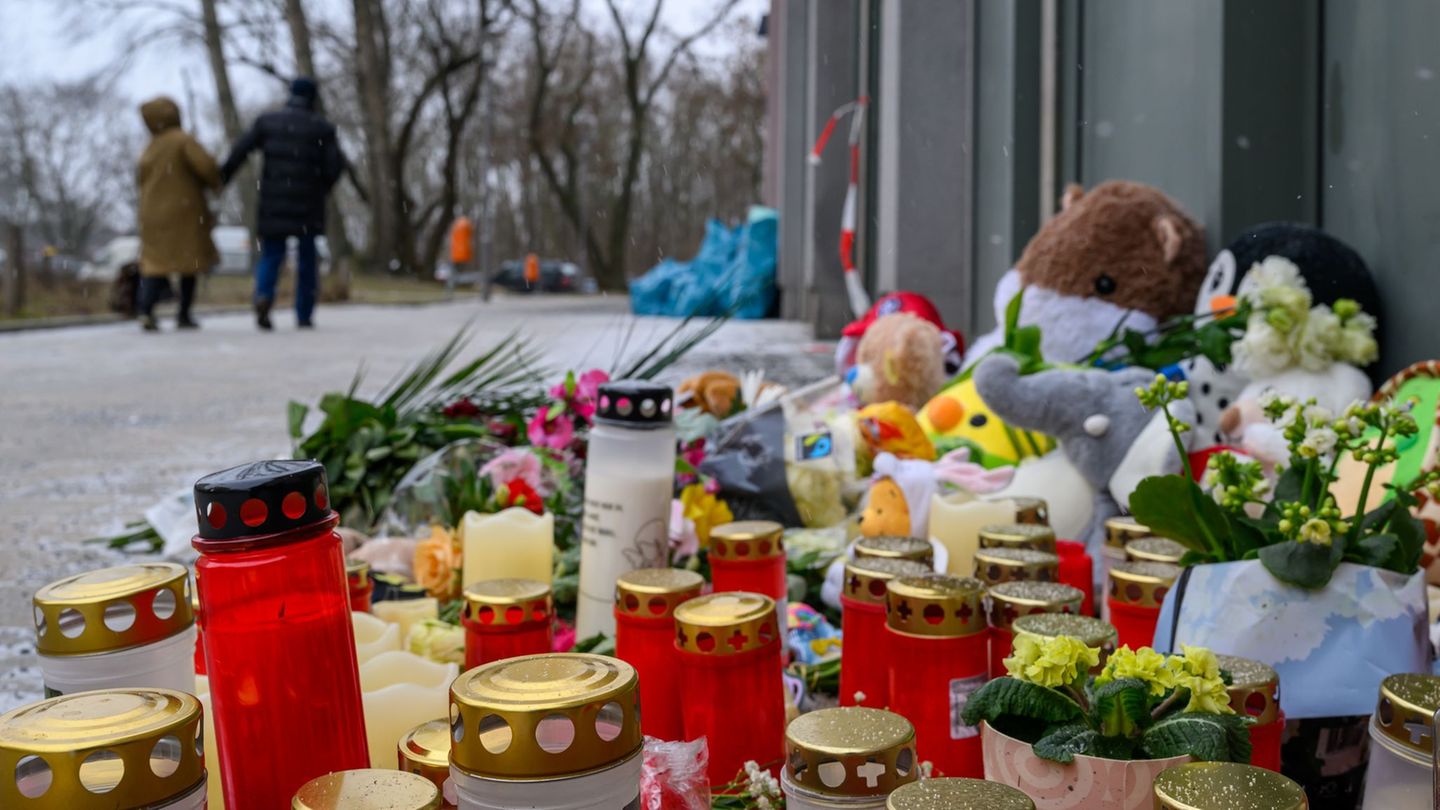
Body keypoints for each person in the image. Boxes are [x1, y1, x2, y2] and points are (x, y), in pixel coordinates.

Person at [220, 77, 343, 330]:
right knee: (307, 259)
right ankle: (304, 313)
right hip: (308, 204)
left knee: (272, 255)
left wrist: (222, 177)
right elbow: (335, 166)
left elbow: (240, 150)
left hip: (274, 202)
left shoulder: (269, 122)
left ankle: (264, 296)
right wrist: (321, 187)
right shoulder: (321, 128)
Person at [136, 97, 221, 332]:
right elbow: (206, 168)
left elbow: (140, 180)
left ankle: (146, 309)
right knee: (189, 261)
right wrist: (216, 182)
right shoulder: (182, 141)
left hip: (151, 213)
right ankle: (183, 313)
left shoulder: (150, 147)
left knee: (154, 263)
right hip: (184, 211)